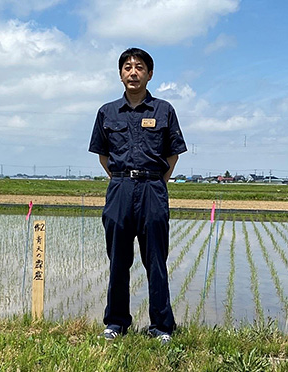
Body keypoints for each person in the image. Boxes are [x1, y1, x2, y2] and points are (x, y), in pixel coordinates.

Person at [89, 47, 187, 345]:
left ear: (150, 74)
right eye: (128, 67)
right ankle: (116, 322)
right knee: (118, 260)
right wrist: (123, 181)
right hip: (119, 189)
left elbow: (172, 155)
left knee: (156, 260)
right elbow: (103, 156)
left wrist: (154, 182)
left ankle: (161, 325)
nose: (133, 72)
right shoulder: (107, 112)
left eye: (140, 67)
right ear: (120, 74)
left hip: (152, 190)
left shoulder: (164, 110)